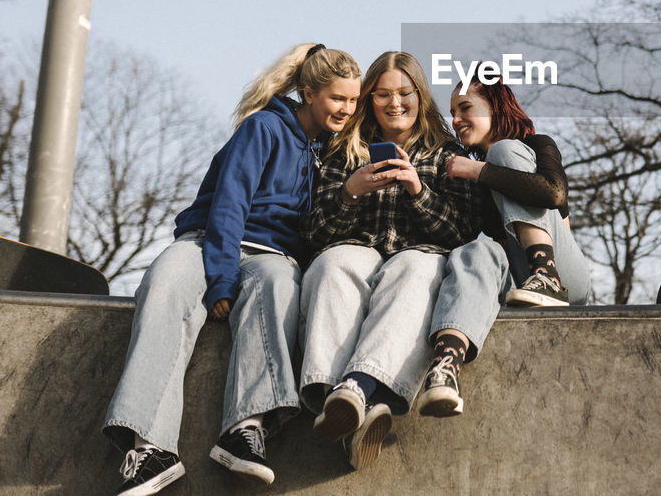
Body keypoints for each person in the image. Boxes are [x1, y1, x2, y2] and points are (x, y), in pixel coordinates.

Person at [102, 43, 360, 495]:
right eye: (338, 98)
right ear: (308, 92)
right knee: (162, 285)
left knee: (281, 285)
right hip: (209, 239)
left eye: (353, 100)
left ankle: (245, 429)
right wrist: (221, 277)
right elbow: (229, 204)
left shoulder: (329, 155)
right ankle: (149, 448)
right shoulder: (263, 128)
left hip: (271, 257)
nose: (346, 108)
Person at [297, 51, 488, 470]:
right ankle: (343, 397)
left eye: (404, 92)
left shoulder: (447, 156)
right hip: (354, 253)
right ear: (370, 99)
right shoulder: (342, 151)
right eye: (382, 94)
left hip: (417, 260)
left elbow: (464, 236)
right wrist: (351, 191)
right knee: (335, 263)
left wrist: (419, 192)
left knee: (416, 268)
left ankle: (356, 388)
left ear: (420, 96)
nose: (394, 102)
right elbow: (312, 236)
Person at [414, 78, 590, 417]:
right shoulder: (469, 175)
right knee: (473, 252)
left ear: (496, 107)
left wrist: (479, 170)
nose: (456, 119)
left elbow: (552, 194)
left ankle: (546, 275)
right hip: (518, 285)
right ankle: (445, 368)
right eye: (452, 112)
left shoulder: (536, 145)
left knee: (504, 150)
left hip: (568, 281)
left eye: (466, 108)